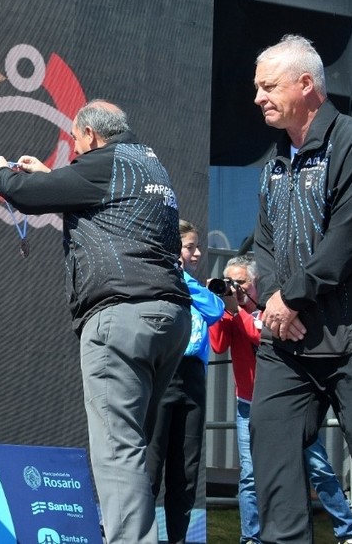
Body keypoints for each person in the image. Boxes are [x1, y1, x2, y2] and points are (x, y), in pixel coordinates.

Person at [0, 99, 192, 543]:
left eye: (76, 143)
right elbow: (101, 201)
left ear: (91, 136)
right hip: (170, 316)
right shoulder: (147, 164)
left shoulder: (103, 164)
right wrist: (51, 175)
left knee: (118, 451)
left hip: (121, 318)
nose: (75, 152)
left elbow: (24, 194)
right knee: (134, 446)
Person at [249, 33, 352, 543]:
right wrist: (275, 301)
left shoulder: (350, 142)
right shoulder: (273, 163)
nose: (258, 97)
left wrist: (291, 297)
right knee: (271, 461)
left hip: (349, 336)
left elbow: (347, 237)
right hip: (285, 345)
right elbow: (263, 245)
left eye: (268, 86)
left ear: (306, 84)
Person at [210, 254, 352, 544]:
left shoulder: (272, 309)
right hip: (247, 405)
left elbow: (262, 336)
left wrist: (243, 311)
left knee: (319, 469)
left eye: (241, 283)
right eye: (231, 283)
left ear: (256, 284)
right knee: (250, 477)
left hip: (288, 406)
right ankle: (251, 537)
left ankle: (347, 530)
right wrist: (221, 307)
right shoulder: (233, 314)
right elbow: (217, 345)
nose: (235, 288)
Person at [146, 220, 224, 544]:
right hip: (164, 372)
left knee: (186, 470)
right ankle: (139, 536)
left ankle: (177, 538)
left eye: (196, 247)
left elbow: (216, 309)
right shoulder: (155, 279)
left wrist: (183, 279)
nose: (197, 253)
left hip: (192, 378)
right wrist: (173, 274)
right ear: (174, 248)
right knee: (151, 464)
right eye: (190, 246)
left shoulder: (194, 286)